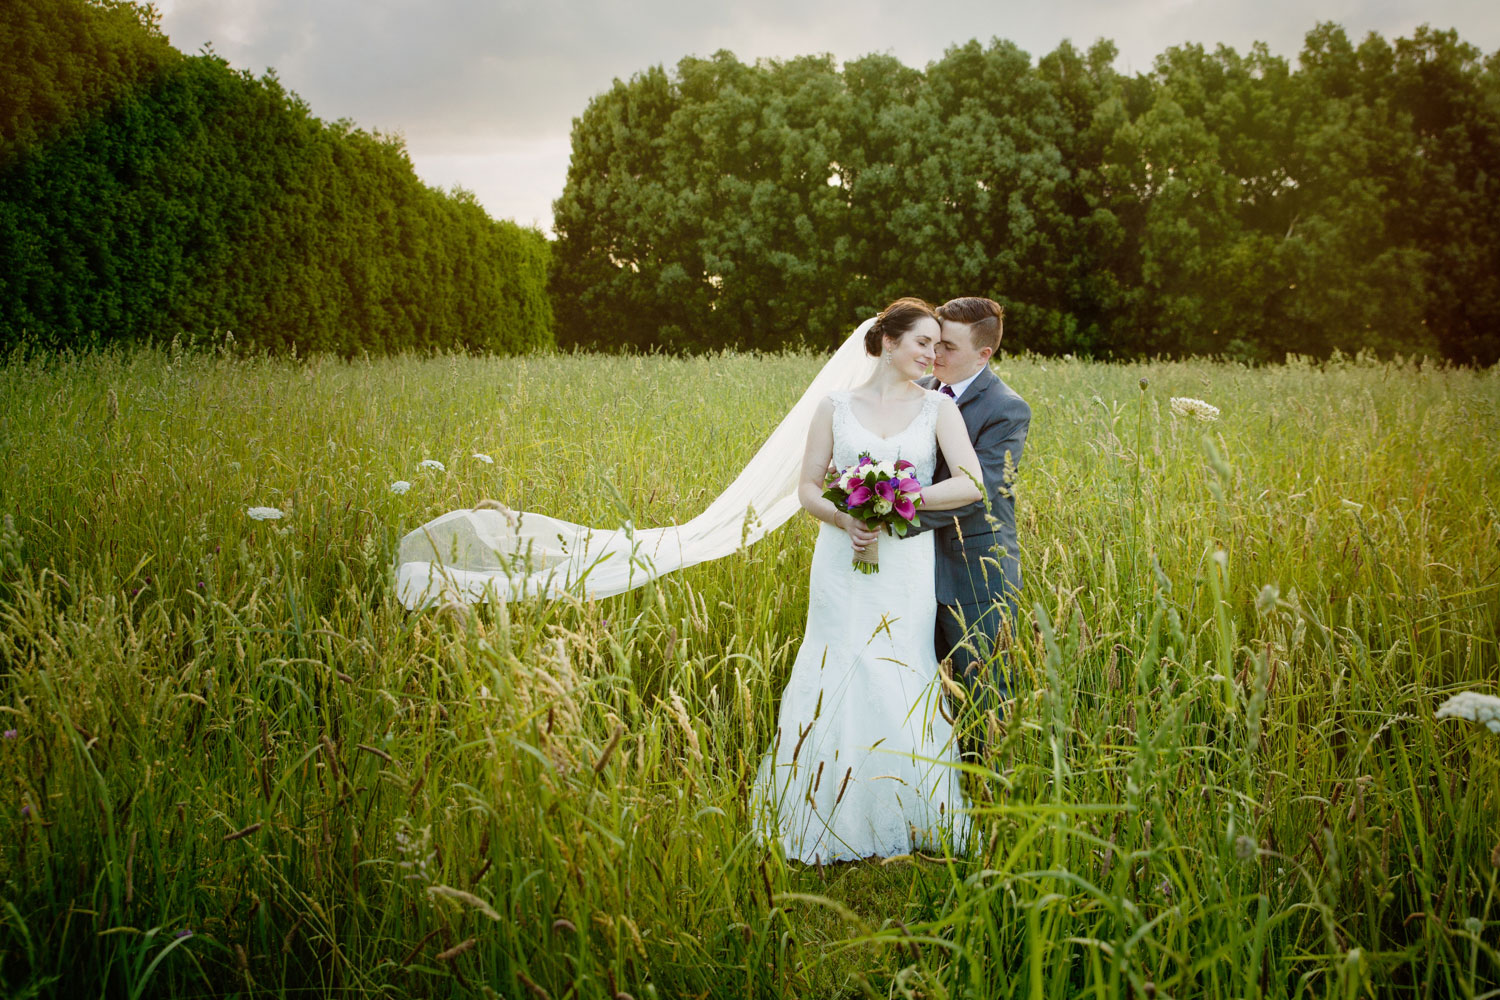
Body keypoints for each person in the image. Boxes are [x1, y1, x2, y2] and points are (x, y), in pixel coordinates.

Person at [751, 298, 984, 864]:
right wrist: (846, 516)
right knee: (832, 661)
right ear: (887, 343)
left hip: (904, 560)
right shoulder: (835, 406)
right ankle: (819, 807)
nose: (933, 354)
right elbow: (809, 488)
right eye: (922, 342)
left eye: (937, 344)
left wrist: (899, 500)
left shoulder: (938, 410)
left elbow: (972, 483)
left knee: (897, 664)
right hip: (840, 558)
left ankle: (908, 810)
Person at [914, 297, 1031, 754]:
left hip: (976, 570)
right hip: (912, 569)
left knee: (984, 693)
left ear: (984, 354)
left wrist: (892, 516)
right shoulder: (917, 389)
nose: (934, 354)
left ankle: (988, 803)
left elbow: (977, 490)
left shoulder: (1007, 409)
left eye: (948, 346)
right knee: (922, 689)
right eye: (933, 341)